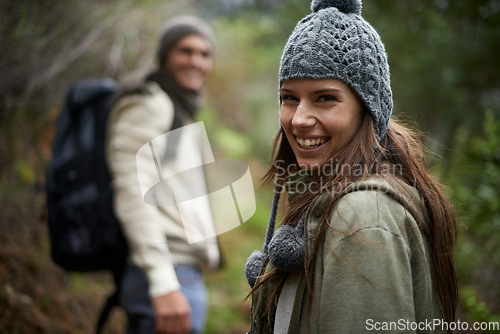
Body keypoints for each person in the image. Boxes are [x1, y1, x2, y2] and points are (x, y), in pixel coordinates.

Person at [245, 0, 458, 333]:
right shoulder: (321, 190)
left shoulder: (362, 218)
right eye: (289, 97)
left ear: (367, 108)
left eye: (325, 98)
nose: (298, 119)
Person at [106, 16, 221, 334]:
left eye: (204, 53)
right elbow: (131, 188)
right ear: (166, 54)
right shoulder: (149, 103)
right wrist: (161, 281)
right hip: (166, 273)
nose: (196, 61)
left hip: (182, 272)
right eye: (185, 50)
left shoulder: (177, 107)